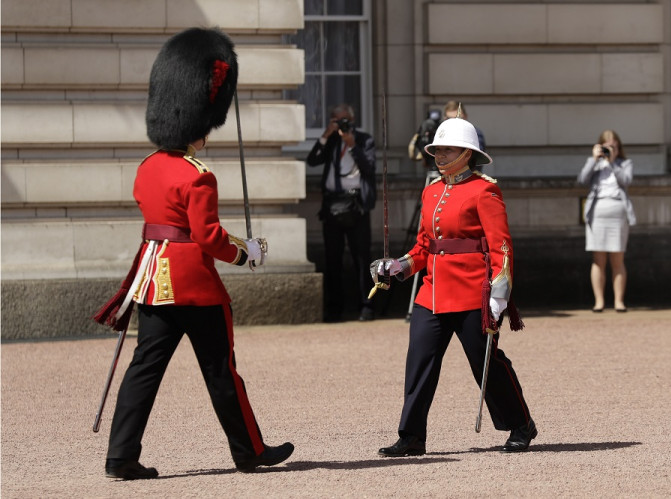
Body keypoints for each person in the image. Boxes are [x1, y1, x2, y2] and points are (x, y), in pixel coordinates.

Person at [93, 27, 294, 480]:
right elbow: (207, 237)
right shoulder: (198, 175)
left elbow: (160, 222)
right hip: (195, 287)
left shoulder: (147, 168)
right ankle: (249, 451)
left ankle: (119, 456)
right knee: (222, 372)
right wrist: (248, 254)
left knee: (144, 370)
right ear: (198, 124)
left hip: (153, 281)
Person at [372, 117, 536, 457]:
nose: (439, 155)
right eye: (437, 149)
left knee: (484, 361)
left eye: (447, 149)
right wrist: (397, 266)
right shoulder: (431, 191)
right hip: (431, 292)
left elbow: (501, 247)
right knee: (419, 361)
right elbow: (423, 248)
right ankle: (412, 435)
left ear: (466, 153)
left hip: (472, 291)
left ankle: (520, 423)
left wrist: (499, 293)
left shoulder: (484, 189)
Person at [306, 103, 377, 322]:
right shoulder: (332, 140)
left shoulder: (365, 140)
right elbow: (313, 160)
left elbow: (369, 168)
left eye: (344, 120)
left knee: (361, 257)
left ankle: (366, 306)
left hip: (356, 205)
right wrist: (326, 135)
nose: (341, 124)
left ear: (352, 120)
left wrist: (353, 145)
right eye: (336, 120)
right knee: (332, 258)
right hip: (332, 205)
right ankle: (334, 308)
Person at [578, 129, 636, 313]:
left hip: (618, 211)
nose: (610, 149)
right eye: (606, 146)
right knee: (598, 259)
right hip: (598, 212)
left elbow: (626, 180)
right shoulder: (594, 163)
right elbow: (581, 180)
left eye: (613, 146)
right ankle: (599, 301)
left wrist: (612, 163)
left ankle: (619, 301)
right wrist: (595, 159)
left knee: (617, 258)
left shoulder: (625, 163)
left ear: (618, 147)